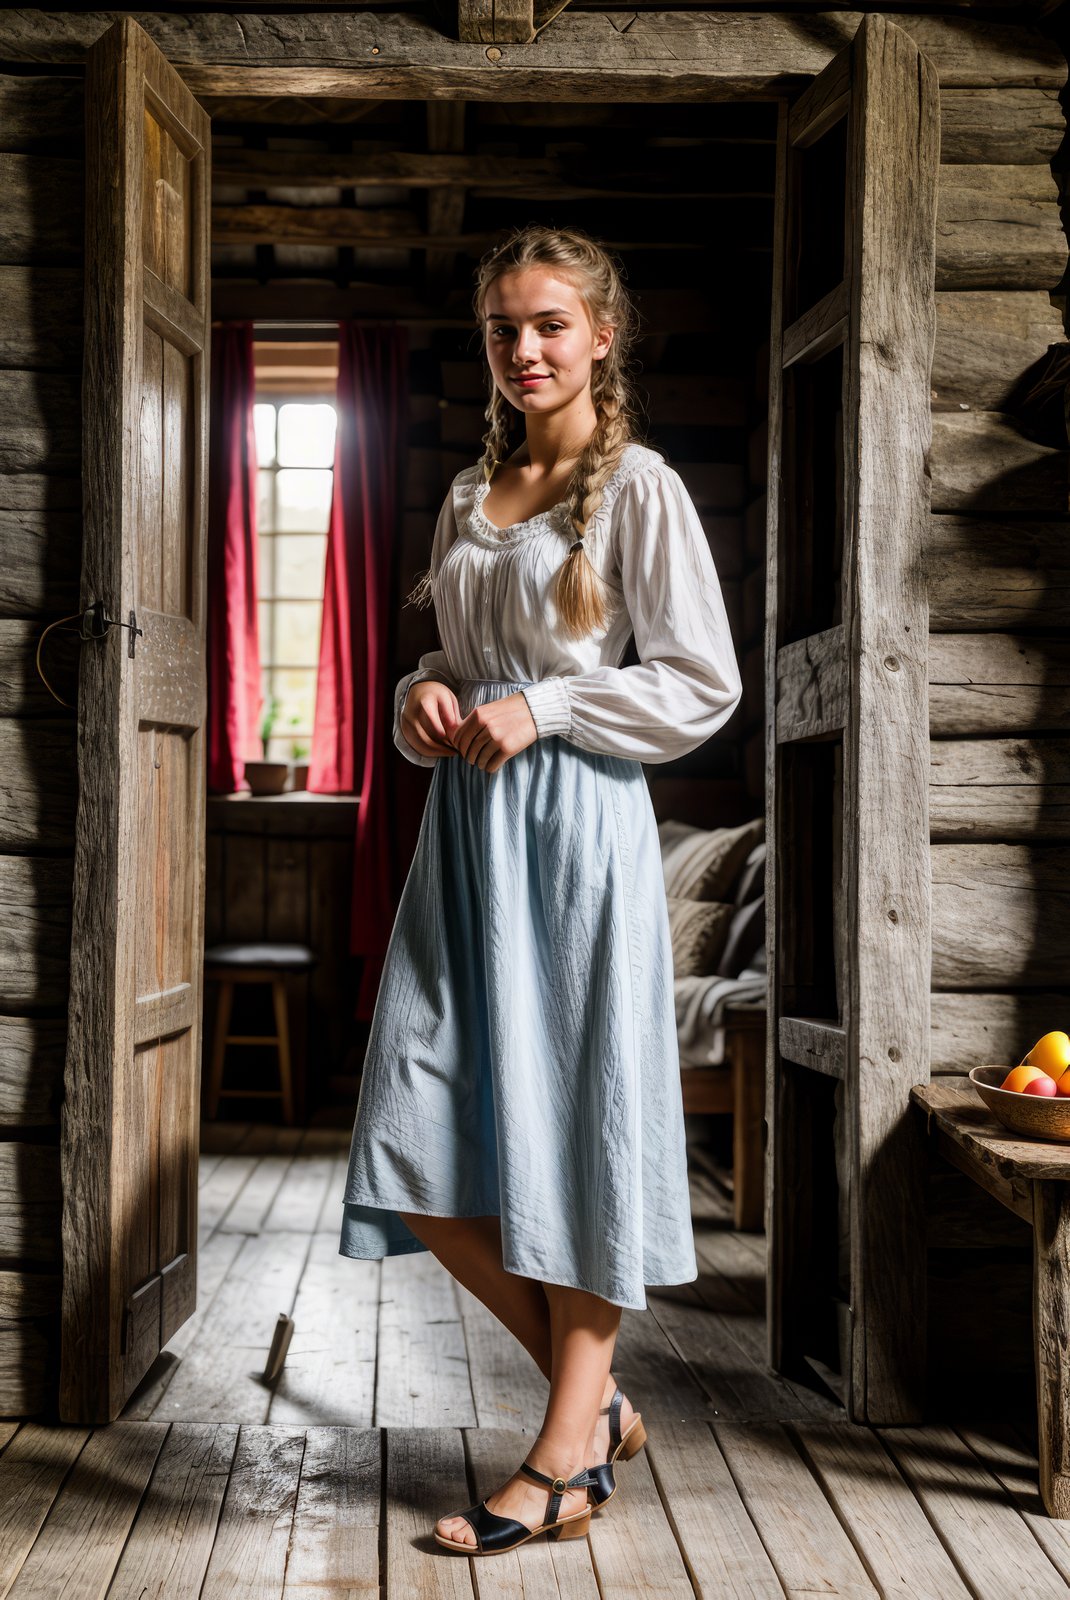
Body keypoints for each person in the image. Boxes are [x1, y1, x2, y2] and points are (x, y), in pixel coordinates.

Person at [338, 223, 743, 1556]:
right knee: (412, 1133)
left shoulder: (640, 488)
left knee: (578, 1124)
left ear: (600, 336)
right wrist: (423, 698)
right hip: (465, 837)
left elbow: (699, 683)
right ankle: (599, 1399)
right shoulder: (470, 496)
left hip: (575, 838)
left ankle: (565, 1453)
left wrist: (547, 708)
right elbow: (446, 668)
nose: (524, 348)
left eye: (550, 323)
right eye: (506, 327)